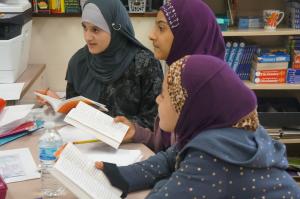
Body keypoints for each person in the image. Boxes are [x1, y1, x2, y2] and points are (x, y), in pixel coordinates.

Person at [96, 55, 300, 198]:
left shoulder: (213, 157)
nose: (157, 100)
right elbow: (169, 159)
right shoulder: (216, 131)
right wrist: (118, 175)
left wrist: (170, 180)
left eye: (165, 95)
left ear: (187, 107)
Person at [115, 0, 226, 152]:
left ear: (188, 34)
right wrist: (137, 133)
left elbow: (192, 162)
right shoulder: (179, 78)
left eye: (161, 28)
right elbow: (171, 147)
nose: (151, 35)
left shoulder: (209, 95)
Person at [36, 0, 163, 130]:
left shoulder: (145, 64)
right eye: (84, 28)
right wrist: (59, 104)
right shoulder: (79, 62)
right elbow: (75, 112)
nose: (87, 37)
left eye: (95, 30)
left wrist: (110, 127)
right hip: (85, 144)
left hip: (132, 147)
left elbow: (154, 121)